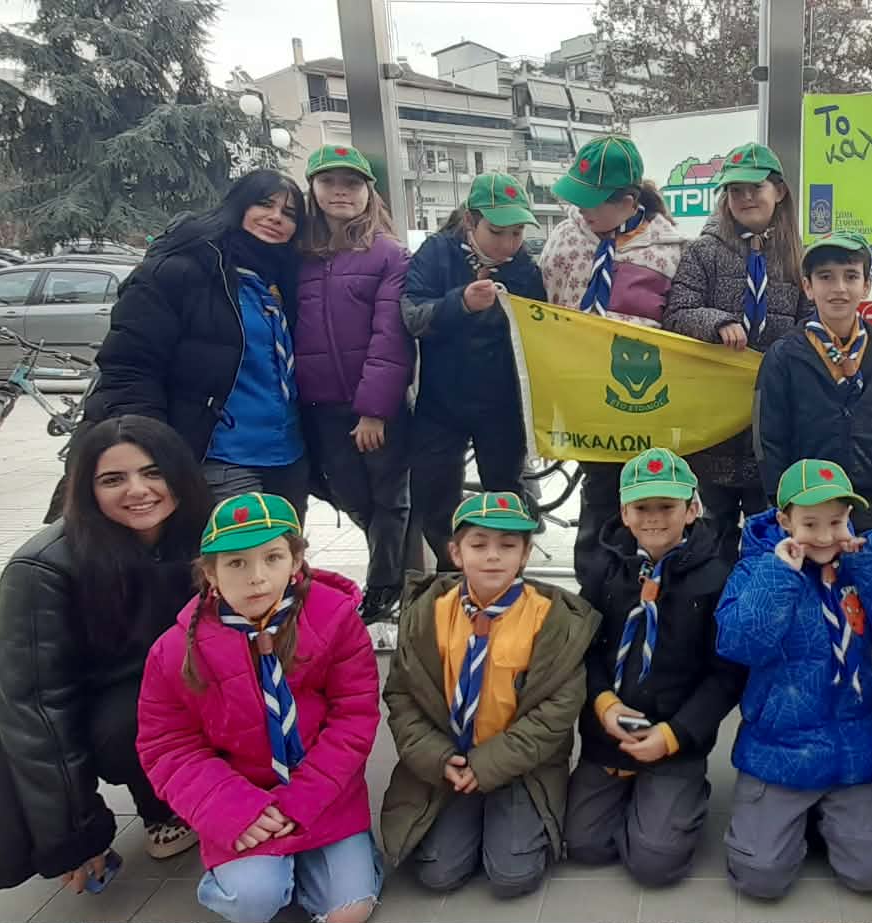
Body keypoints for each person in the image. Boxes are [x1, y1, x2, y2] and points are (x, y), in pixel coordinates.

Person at [0, 415, 208, 894]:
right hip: (5, 709)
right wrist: (77, 835)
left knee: (150, 703)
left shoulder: (206, 539)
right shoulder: (42, 567)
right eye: (112, 479)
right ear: (86, 489)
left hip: (121, 700)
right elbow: (35, 709)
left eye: (153, 472)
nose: (138, 490)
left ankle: (163, 805)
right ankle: (79, 823)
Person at [136, 493, 382, 923]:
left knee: (350, 911)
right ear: (210, 573)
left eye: (272, 558)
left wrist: (301, 799)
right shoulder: (174, 651)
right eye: (236, 563)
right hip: (238, 801)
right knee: (254, 900)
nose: (256, 578)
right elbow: (168, 746)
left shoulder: (337, 621)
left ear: (296, 561)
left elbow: (353, 718)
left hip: (323, 794)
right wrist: (233, 808)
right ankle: (254, 876)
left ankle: (322, 864)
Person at [715, 459, 872, 899]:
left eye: (836, 521)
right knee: (760, 877)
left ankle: (827, 819)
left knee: (871, 874)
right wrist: (781, 574)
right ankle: (788, 819)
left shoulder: (859, 564)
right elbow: (740, 644)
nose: (826, 536)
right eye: (810, 523)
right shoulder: (756, 569)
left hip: (853, 749)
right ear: (784, 520)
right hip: (781, 747)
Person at [380, 493, 601, 897]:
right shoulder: (426, 613)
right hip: (449, 763)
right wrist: (439, 759)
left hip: (520, 766)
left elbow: (554, 713)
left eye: (508, 545)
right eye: (478, 544)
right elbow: (402, 697)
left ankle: (513, 815)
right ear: (456, 552)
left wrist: (489, 765)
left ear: (526, 554)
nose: (493, 556)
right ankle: (464, 810)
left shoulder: (554, 621)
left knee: (513, 875)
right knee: (437, 874)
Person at [565, 448, 744, 885]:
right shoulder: (603, 568)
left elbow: (726, 675)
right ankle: (643, 799)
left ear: (692, 510)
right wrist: (603, 704)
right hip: (608, 732)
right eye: (642, 507)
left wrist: (674, 734)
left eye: (667, 506)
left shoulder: (718, 577)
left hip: (675, 736)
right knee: (584, 846)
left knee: (655, 864)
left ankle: (673, 794)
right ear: (624, 512)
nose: (654, 518)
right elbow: (584, 649)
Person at [84, 170, 310, 515]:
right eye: (264, 204)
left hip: (287, 458)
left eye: (289, 213)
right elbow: (129, 367)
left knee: (282, 549)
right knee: (246, 547)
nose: (276, 217)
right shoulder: (180, 272)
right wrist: (150, 451)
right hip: (220, 456)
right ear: (237, 205)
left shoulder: (281, 280)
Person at [538, 135, 688, 578]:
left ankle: (645, 579)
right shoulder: (565, 240)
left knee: (642, 491)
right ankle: (595, 586)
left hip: (643, 398)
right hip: (586, 395)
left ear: (626, 202)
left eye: (592, 201)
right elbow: (545, 305)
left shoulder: (669, 249)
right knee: (599, 490)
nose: (581, 209)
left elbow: (677, 321)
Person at [661, 142, 808, 559]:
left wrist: (786, 352)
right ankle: (712, 598)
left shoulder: (797, 256)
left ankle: (761, 595)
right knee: (713, 537)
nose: (745, 197)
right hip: (715, 426)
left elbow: (810, 320)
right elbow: (677, 312)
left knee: (769, 534)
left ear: (779, 191)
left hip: (771, 423)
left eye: (755, 188)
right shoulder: (703, 251)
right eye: (734, 190)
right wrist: (717, 322)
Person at [294, 145, 414, 634]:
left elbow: (391, 336)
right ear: (313, 190)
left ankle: (385, 586)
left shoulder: (389, 254)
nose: (340, 192)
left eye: (352, 183)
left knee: (388, 497)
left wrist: (375, 410)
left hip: (373, 407)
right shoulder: (297, 254)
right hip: (319, 405)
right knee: (346, 492)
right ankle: (390, 564)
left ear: (369, 192)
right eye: (329, 182)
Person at [402, 174, 548, 573]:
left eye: (517, 233)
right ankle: (452, 573)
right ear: (471, 220)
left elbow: (541, 328)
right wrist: (460, 303)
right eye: (497, 232)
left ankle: (507, 573)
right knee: (432, 493)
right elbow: (412, 316)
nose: (508, 244)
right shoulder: (436, 253)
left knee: (507, 493)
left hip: (502, 404)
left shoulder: (524, 268)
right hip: (441, 403)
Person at [755, 231, 872, 536]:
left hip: (867, 510)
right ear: (808, 287)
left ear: (866, 285)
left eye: (851, 276)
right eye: (825, 277)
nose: (839, 288)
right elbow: (768, 438)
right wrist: (783, 499)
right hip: (805, 510)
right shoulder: (783, 355)